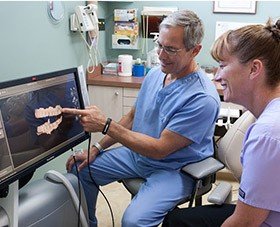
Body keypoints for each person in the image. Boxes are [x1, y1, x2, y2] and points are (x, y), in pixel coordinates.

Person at [62, 9, 220, 227]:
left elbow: (160, 149)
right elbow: (132, 116)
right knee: (79, 169)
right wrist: (96, 148)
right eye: (160, 45)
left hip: (175, 168)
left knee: (134, 221)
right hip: (138, 155)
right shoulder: (156, 73)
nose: (161, 55)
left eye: (171, 50)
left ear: (195, 50)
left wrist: (106, 125)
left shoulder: (202, 98)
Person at [162, 18, 280, 227]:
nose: (217, 77)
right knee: (178, 220)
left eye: (223, 65)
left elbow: (244, 223)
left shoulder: (267, 134)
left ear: (254, 69)